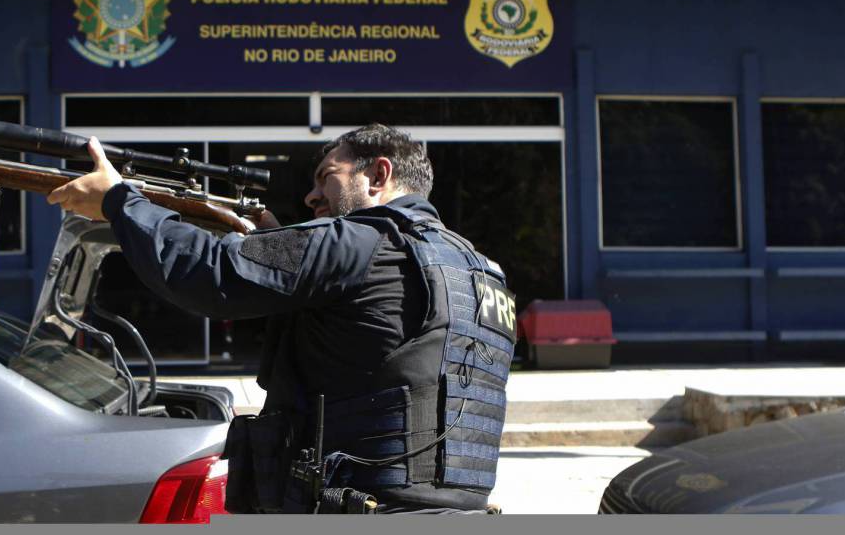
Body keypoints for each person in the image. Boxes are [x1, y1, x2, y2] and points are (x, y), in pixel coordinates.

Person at [47, 124, 516, 515]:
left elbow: (209, 273)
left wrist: (119, 201)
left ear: (379, 174)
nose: (312, 196)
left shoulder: (359, 242)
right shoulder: (477, 271)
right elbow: (376, 351)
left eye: (325, 177)